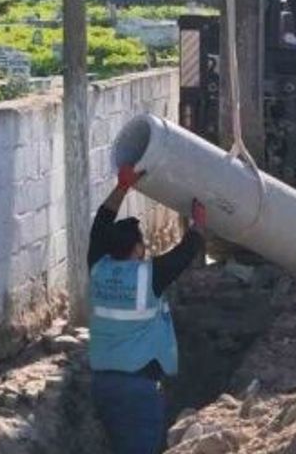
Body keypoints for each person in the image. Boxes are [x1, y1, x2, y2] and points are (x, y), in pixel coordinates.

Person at [89, 164, 206, 453]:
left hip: (103, 385)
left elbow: (100, 225)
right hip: (137, 390)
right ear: (138, 249)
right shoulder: (147, 277)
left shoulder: (98, 267)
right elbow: (186, 252)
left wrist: (122, 187)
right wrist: (200, 222)